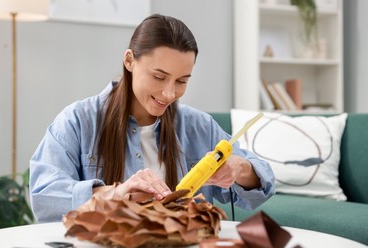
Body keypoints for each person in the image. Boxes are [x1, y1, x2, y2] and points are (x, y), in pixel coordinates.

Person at [30, 13, 275, 222]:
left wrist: (240, 169)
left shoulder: (199, 126)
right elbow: (44, 197)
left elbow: (264, 185)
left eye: (181, 81)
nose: (170, 94)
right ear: (129, 61)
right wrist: (115, 194)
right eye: (159, 77)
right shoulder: (77, 121)